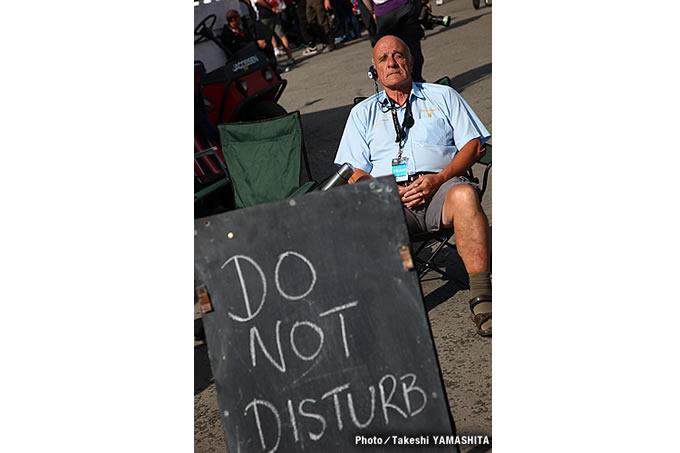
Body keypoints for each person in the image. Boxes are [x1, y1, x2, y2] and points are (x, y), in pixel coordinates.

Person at [334, 36, 492, 336]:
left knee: (465, 195)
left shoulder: (442, 95)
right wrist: (387, 190)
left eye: (398, 55)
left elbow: (473, 144)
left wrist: (440, 179)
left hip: (441, 188)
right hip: (390, 198)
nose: (391, 62)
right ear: (375, 71)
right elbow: (352, 171)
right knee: (366, 214)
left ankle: (482, 296)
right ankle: (396, 305)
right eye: (383, 59)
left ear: (411, 60)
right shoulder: (362, 114)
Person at [361, 0, 426, 82]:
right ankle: (417, 81)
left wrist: (372, 11)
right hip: (404, 6)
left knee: (388, 51)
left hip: (383, 13)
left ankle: (406, 83)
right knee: (413, 48)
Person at [252, 0, 296, 66]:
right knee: (281, 35)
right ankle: (290, 57)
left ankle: (274, 62)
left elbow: (259, 1)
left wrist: (270, 8)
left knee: (267, 40)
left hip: (264, 15)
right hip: (272, 14)